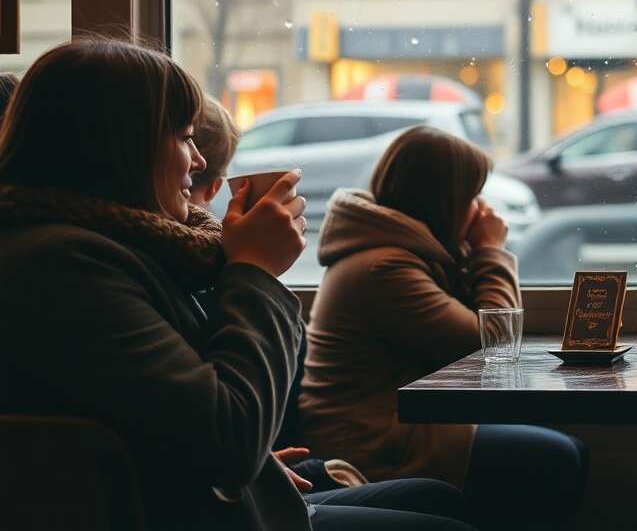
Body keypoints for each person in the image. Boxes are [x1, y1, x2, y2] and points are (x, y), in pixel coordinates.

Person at [0, 39, 476, 531]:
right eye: (184, 137)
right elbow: (227, 440)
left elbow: (160, 417)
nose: (199, 162)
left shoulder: (106, 251)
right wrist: (255, 272)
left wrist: (262, 463)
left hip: (202, 500)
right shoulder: (66, 267)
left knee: (439, 499)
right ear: (124, 147)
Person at [301, 126, 588, 531]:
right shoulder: (385, 268)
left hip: (399, 426)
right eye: (472, 197)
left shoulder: (402, 252)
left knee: (566, 451)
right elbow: (494, 343)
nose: (479, 209)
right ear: (445, 202)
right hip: (374, 442)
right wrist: (490, 250)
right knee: (557, 458)